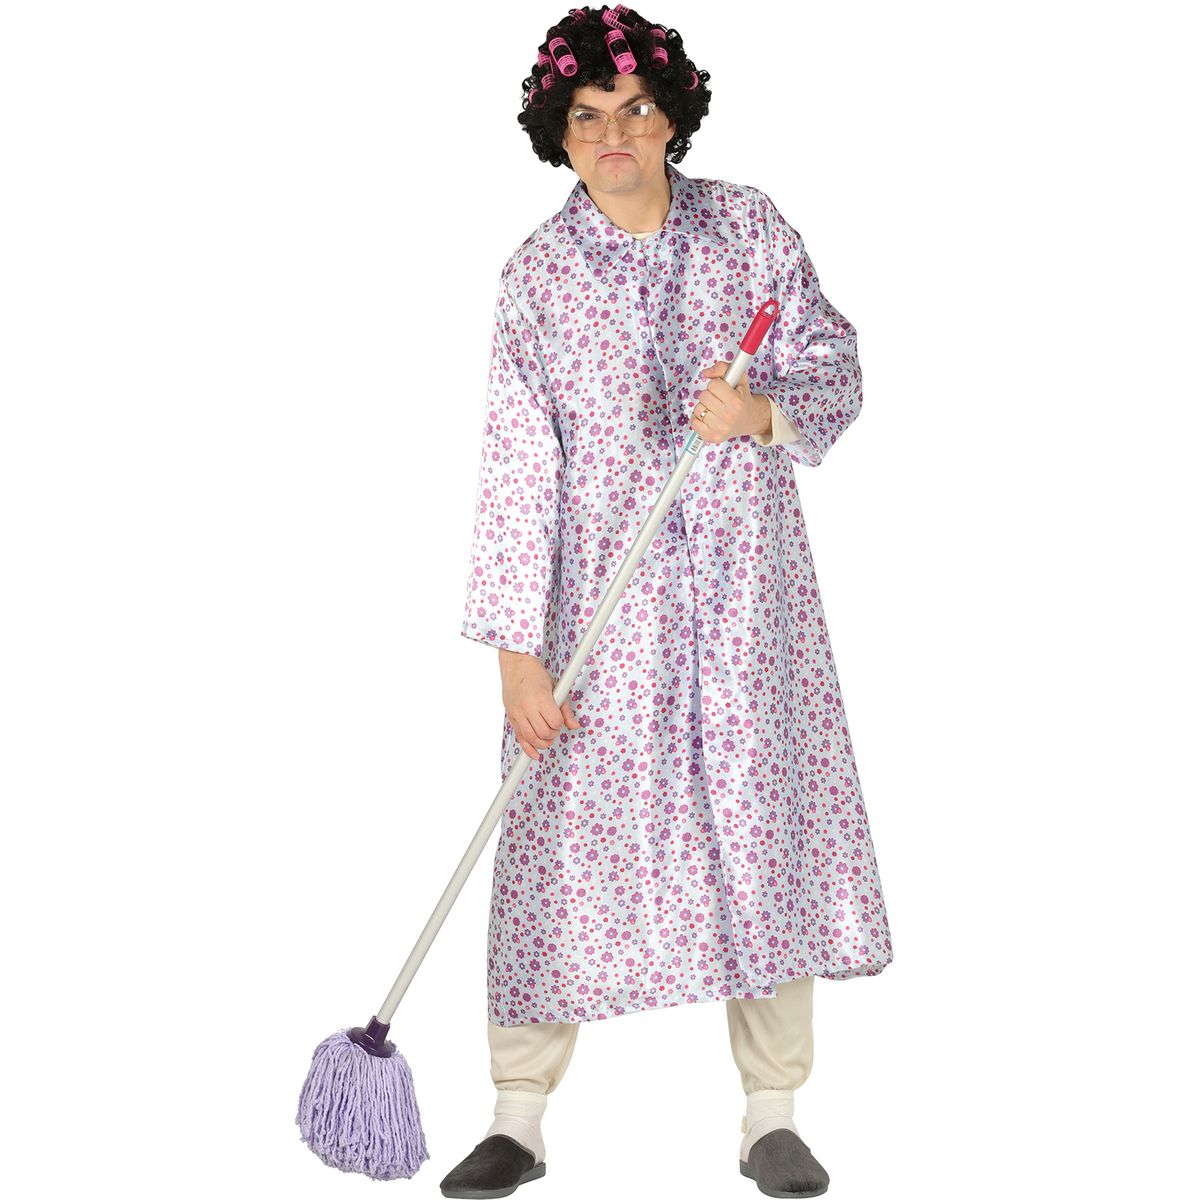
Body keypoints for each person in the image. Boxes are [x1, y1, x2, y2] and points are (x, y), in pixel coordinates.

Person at [448, 7, 893, 1196]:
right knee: (553, 834)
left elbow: (834, 358)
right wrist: (515, 656)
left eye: (636, 112)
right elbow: (516, 473)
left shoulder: (749, 230)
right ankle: (518, 1114)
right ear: (558, 134)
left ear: (672, 119)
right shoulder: (536, 281)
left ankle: (771, 1113)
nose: (615, 138)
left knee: (761, 823)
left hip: (747, 600)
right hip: (598, 609)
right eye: (588, 118)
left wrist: (760, 412)